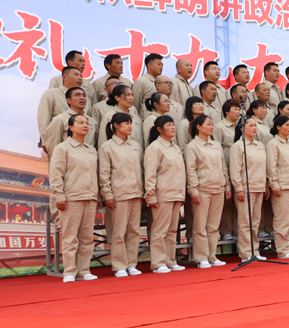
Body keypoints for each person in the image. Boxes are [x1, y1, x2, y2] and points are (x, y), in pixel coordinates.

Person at [49, 114, 99, 283]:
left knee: (87, 237)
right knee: (70, 236)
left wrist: (97, 194)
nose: (85, 125)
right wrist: (59, 196)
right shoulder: (62, 148)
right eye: (80, 122)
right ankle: (69, 271)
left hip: (90, 197)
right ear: (70, 127)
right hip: (72, 198)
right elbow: (56, 174)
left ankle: (84, 270)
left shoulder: (91, 149)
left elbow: (95, 174)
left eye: (87, 123)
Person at [98, 113, 144, 277]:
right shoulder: (107, 147)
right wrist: (108, 194)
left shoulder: (136, 146)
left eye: (131, 123)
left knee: (134, 231)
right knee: (119, 232)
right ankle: (119, 266)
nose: (130, 126)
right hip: (119, 194)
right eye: (126, 123)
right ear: (116, 126)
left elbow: (141, 170)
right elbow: (104, 174)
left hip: (136, 194)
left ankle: (132, 264)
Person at [185, 115, 231, 268]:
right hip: (203, 190)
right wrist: (193, 190)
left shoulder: (216, 145)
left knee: (213, 226)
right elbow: (191, 170)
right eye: (208, 124)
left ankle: (212, 256)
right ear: (198, 127)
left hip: (218, 189)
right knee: (200, 226)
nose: (211, 127)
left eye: (212, 124)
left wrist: (227, 185)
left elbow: (223, 167)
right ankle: (201, 257)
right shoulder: (192, 146)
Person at [144, 115, 187, 273]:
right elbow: (150, 173)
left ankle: (170, 261)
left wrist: (182, 194)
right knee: (160, 230)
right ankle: (158, 263)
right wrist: (151, 195)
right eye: (168, 125)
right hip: (163, 194)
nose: (173, 127)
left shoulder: (175, 147)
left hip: (176, 193)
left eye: (173, 124)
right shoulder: (154, 148)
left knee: (172, 230)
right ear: (159, 129)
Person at [230, 115, 270, 262]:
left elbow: (264, 167)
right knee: (245, 222)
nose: (254, 128)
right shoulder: (238, 146)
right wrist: (238, 188)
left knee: (255, 222)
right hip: (246, 188)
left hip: (259, 187)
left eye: (255, 125)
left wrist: (266, 185)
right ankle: (246, 253)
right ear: (242, 128)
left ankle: (255, 250)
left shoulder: (260, 145)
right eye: (251, 125)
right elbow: (235, 169)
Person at [267, 116, 289, 259]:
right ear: (278, 127)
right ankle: (282, 249)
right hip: (282, 186)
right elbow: (271, 166)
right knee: (282, 219)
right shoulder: (273, 144)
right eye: (286, 125)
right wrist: (274, 184)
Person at [213, 99, 241, 240]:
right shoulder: (219, 127)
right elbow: (217, 148)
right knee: (227, 202)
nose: (238, 112)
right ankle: (226, 231)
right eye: (235, 109)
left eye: (239, 109)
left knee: (239, 202)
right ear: (226, 111)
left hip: (240, 167)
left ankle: (237, 231)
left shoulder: (241, 126)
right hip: (226, 166)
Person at [38, 66, 84, 151]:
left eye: (81, 76)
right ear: (64, 77)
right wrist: (45, 142)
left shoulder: (84, 98)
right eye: (76, 75)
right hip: (59, 143)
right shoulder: (51, 94)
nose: (80, 78)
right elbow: (44, 118)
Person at [44, 87, 98, 158]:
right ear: (68, 100)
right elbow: (52, 146)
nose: (82, 98)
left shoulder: (93, 122)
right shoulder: (60, 119)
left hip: (88, 162)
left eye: (84, 96)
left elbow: (95, 145)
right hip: (68, 162)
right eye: (77, 95)